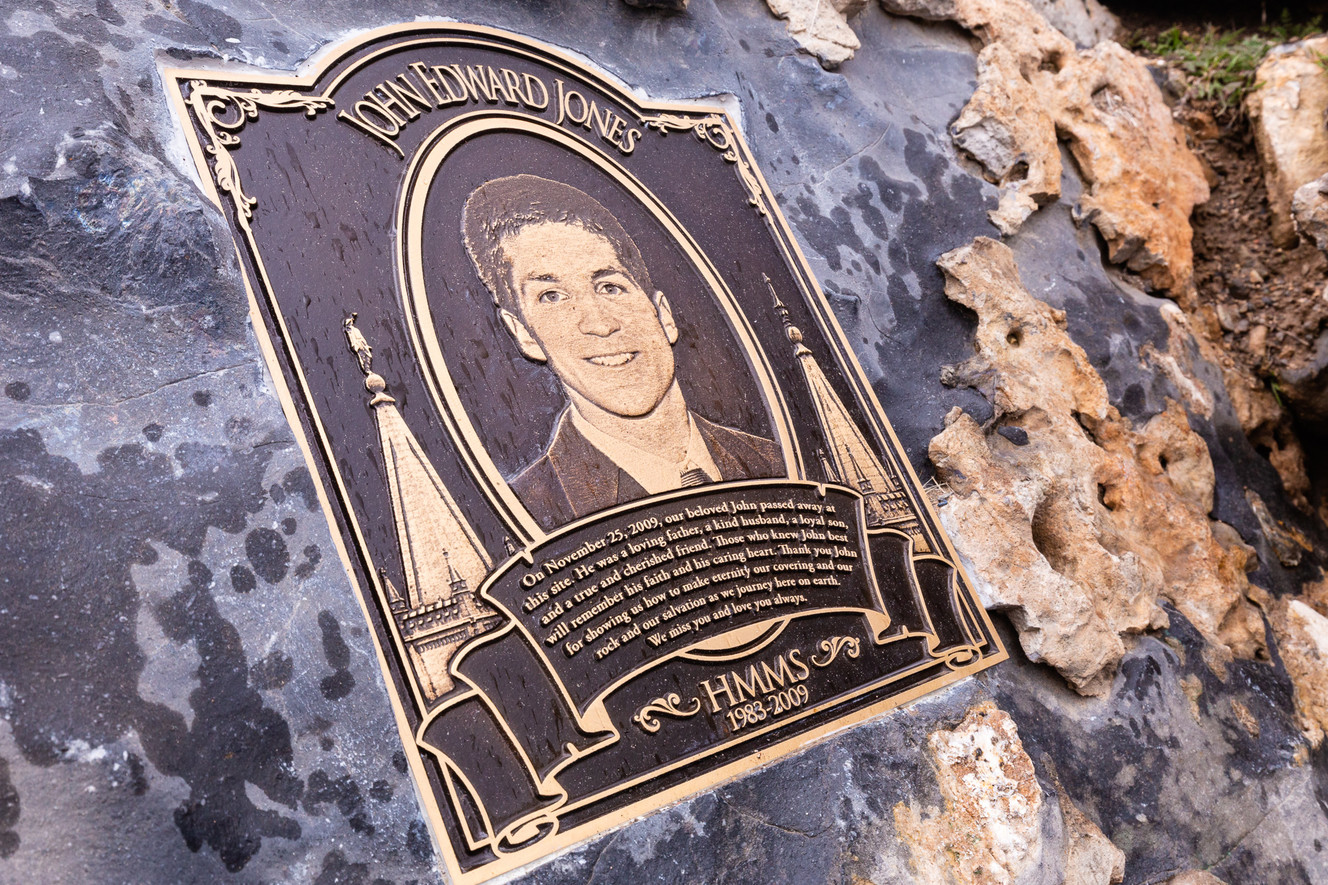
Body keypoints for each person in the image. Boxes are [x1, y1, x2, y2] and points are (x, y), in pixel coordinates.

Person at [462, 174, 782, 530]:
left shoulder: (779, 462)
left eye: (610, 287)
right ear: (525, 335)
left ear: (663, 315)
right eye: (552, 296)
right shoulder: (525, 517)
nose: (600, 323)